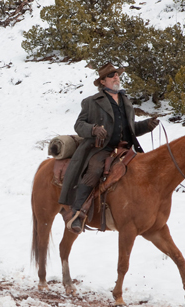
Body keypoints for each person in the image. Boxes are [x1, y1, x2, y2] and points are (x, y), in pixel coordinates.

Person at [59, 63, 159, 233]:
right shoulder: (91, 102)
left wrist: (147, 125)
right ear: (103, 82)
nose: (116, 77)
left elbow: (130, 128)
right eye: (112, 75)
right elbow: (79, 125)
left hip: (126, 149)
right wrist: (93, 130)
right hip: (101, 149)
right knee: (94, 171)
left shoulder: (125, 101)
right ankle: (77, 213)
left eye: (117, 75)